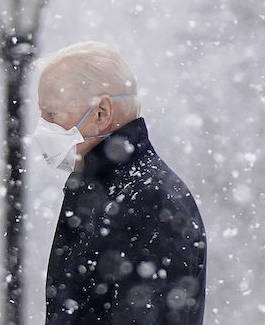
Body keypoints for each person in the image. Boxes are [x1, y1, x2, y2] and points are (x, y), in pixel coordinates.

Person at [34, 41, 207, 325]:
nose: (43, 129)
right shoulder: (106, 191)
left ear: (101, 113)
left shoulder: (150, 200)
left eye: (52, 114)